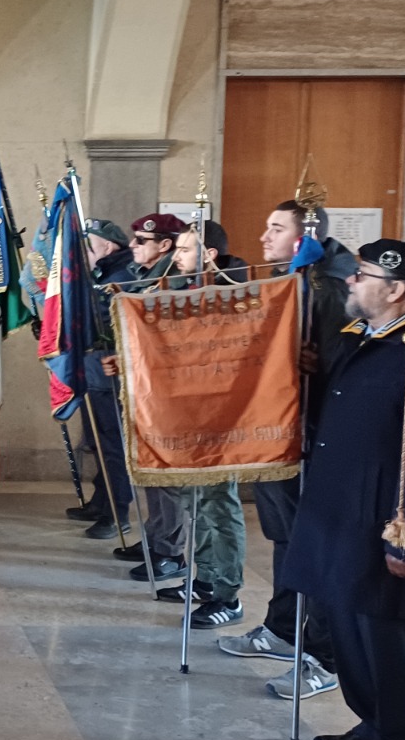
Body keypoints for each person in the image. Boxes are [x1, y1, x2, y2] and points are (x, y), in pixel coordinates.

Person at [283, 238, 405, 740]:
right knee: (346, 624)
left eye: (362, 274)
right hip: (339, 510)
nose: (351, 281)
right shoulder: (364, 339)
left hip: (387, 519)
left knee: (388, 635)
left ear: (396, 289)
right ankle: (371, 725)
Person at [217, 201, 355, 700]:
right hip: (277, 432)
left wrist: (316, 366)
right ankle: (281, 628)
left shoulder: (333, 287)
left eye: (276, 228)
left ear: (306, 236)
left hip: (316, 437)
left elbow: (344, 370)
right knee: (284, 539)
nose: (263, 237)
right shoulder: (289, 280)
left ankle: (322, 653)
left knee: (311, 546)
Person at [152, 220, 249, 629]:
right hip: (188, 415)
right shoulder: (182, 293)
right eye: (176, 248)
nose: (176, 256)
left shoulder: (233, 298)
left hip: (220, 419)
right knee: (197, 503)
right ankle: (206, 578)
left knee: (219, 506)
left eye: (187, 250)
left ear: (209, 256)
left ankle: (228, 594)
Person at [109, 213, 188, 582]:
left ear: (165, 245)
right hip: (145, 388)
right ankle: (156, 539)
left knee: (167, 478)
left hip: (169, 395)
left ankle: (171, 552)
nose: (133, 246)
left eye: (141, 241)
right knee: (148, 473)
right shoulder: (145, 277)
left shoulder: (175, 283)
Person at [70, 219, 139, 539]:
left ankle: (117, 513)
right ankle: (102, 499)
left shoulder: (121, 276)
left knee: (112, 443)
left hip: (108, 370)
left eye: (89, 245)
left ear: (108, 247)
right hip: (93, 367)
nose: (83, 251)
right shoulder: (104, 273)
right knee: (97, 442)